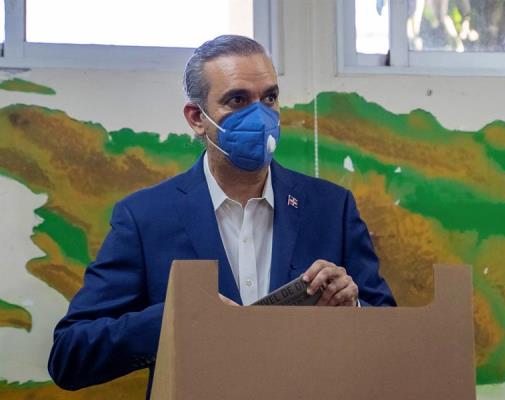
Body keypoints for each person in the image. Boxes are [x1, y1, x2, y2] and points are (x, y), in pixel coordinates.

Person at [48, 35, 396, 398]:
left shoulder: (331, 208)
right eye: (238, 100)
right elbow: (69, 355)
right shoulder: (145, 218)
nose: (260, 115)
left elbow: (393, 338)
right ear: (197, 118)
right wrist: (172, 321)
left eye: (270, 98)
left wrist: (353, 307)